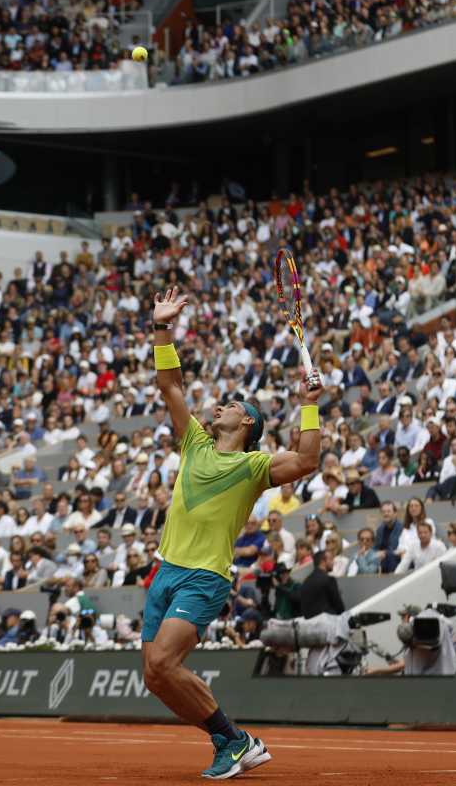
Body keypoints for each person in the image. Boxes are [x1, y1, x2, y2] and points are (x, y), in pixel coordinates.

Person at [142, 288, 322, 778]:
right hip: (167, 569)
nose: (218, 405)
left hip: (203, 576)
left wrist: (309, 405)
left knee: (162, 662)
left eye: (231, 405)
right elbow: (170, 385)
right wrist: (162, 327)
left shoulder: (254, 465)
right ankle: (234, 740)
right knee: (155, 676)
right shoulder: (195, 441)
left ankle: (235, 741)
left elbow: (307, 459)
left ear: (247, 423)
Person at [299, 550, 345, 618]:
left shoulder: (305, 582)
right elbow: (339, 606)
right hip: (330, 622)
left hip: (312, 625)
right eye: (331, 559)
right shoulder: (329, 580)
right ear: (323, 562)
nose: (333, 562)